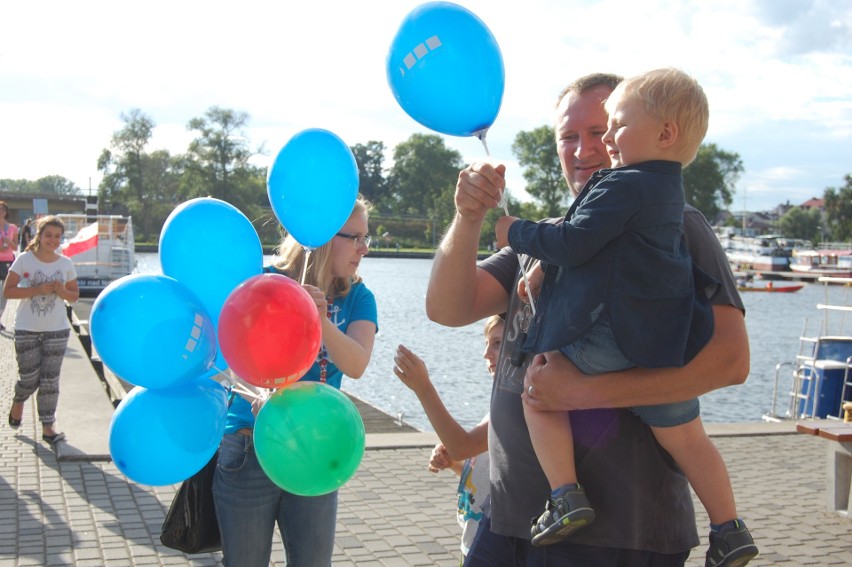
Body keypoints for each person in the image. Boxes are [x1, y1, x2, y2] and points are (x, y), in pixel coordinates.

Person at [425, 72, 751, 567]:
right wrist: (469, 216)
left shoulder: (674, 224)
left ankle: (724, 529)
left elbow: (731, 362)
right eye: (568, 137)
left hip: (618, 537)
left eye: (602, 130)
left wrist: (586, 393)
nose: (585, 150)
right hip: (508, 519)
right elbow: (446, 309)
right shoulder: (547, 237)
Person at [212, 196, 378, 567]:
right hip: (249, 446)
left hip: (315, 451)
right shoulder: (265, 283)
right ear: (322, 237)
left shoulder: (359, 297)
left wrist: (319, 319)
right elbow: (231, 353)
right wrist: (260, 393)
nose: (364, 248)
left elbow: (356, 363)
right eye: (355, 238)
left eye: (368, 238)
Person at [393, 314, 504, 561]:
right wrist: (455, 465)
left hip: (496, 544)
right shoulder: (497, 404)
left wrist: (423, 388)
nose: (487, 354)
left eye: (497, 343)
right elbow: (490, 469)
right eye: (486, 343)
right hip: (475, 538)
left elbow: (462, 445)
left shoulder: (514, 407)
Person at [4, 215, 79, 444]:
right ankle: (19, 400)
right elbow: (8, 291)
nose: (53, 240)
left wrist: (61, 291)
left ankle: (48, 427)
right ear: (40, 235)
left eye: (57, 236)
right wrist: (36, 290)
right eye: (49, 235)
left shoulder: (65, 264)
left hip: (57, 330)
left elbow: (73, 297)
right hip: (27, 328)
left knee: (49, 380)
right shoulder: (25, 260)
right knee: (29, 377)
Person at [0, 200, 20, 331]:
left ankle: (0, 316)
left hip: (7, 261)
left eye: (2, 209)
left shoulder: (12, 228)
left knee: (4, 292)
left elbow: (15, 246)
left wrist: (8, 241)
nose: (0, 211)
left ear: (6, 212)